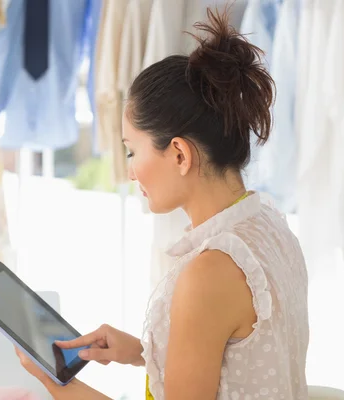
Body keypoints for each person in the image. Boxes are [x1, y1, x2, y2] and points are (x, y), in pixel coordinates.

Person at [15, 6, 309, 400]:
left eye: (132, 151)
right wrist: (143, 351)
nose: (131, 172)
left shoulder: (210, 273)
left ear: (180, 155)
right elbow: (240, 361)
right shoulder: (269, 224)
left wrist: (54, 384)